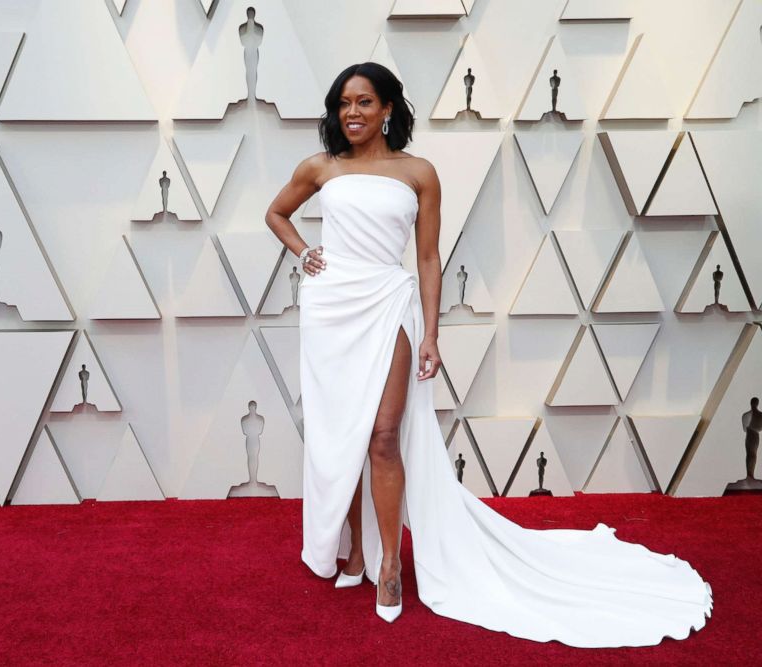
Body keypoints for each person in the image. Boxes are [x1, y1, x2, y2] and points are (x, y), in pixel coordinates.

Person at [264, 62, 712, 646]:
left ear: (390, 109)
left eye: (365, 102)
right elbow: (276, 213)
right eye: (344, 103)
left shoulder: (418, 173)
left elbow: (427, 259)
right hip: (332, 311)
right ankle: (353, 558)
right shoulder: (320, 167)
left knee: (381, 435)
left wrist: (431, 333)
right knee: (341, 436)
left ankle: (392, 568)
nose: (352, 113)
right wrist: (305, 253)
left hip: (388, 303)